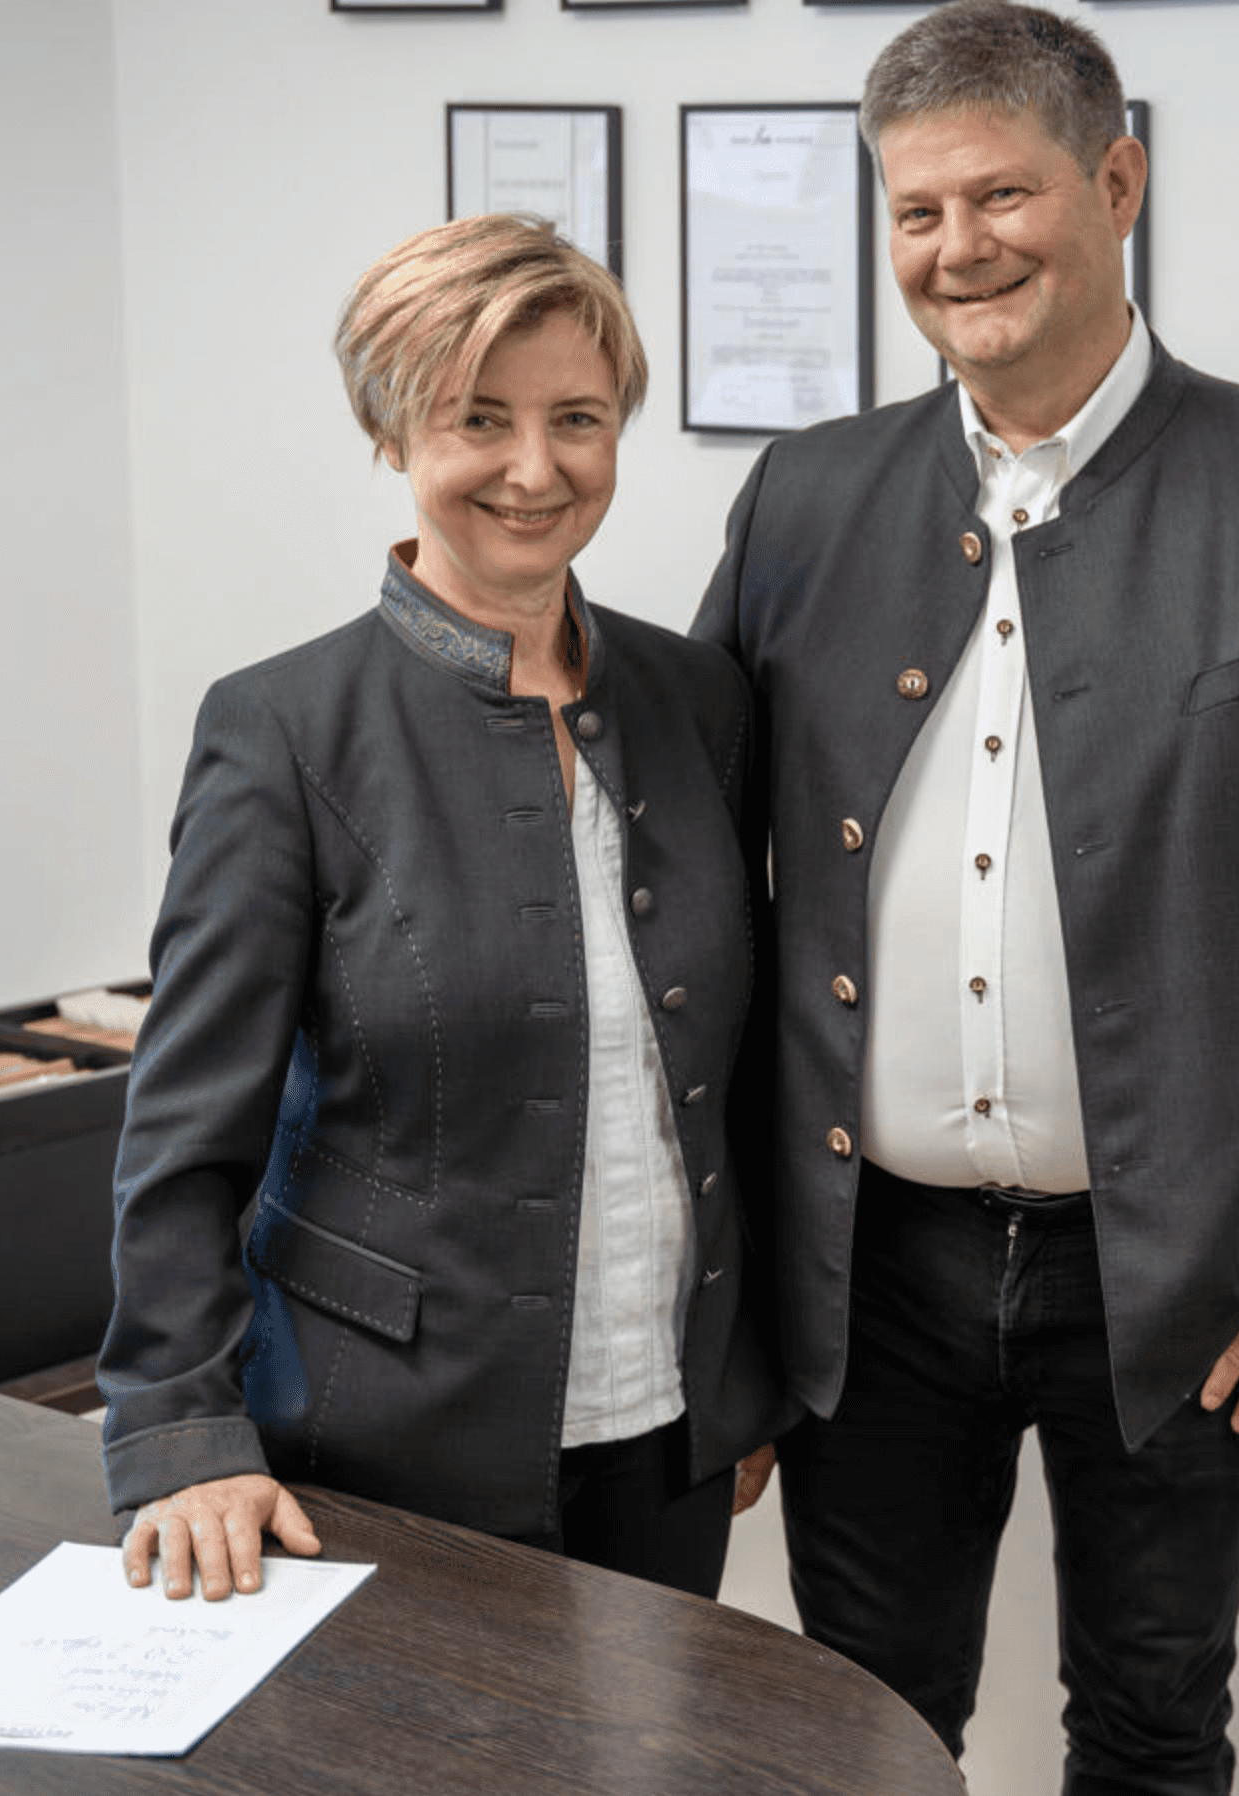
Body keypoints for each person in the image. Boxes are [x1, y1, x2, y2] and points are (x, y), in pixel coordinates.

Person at [692, 0, 1239, 1794]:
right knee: (861, 1719)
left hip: (1189, 1276)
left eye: (999, 195)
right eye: (913, 212)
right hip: (869, 1267)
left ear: (1117, 181)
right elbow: (695, 876)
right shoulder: (805, 497)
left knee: (1152, 1725)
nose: (955, 249)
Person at [98, 214, 790, 1606]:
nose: (535, 471)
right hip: (376, 1442)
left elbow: (732, 1075)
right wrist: (179, 1432)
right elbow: (186, 1129)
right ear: (391, 428)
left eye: (578, 419)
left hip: (665, 1431)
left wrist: (743, 1373)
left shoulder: (697, 700)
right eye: (479, 419)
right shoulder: (281, 729)